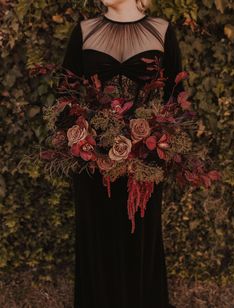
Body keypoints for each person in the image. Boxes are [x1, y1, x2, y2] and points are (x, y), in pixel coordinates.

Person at [61, 0, 184, 307]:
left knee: (141, 241)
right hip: (92, 165)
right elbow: (65, 95)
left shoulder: (162, 32)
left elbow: (175, 101)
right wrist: (81, 141)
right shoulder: (84, 32)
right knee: (96, 244)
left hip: (145, 165)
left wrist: (156, 142)